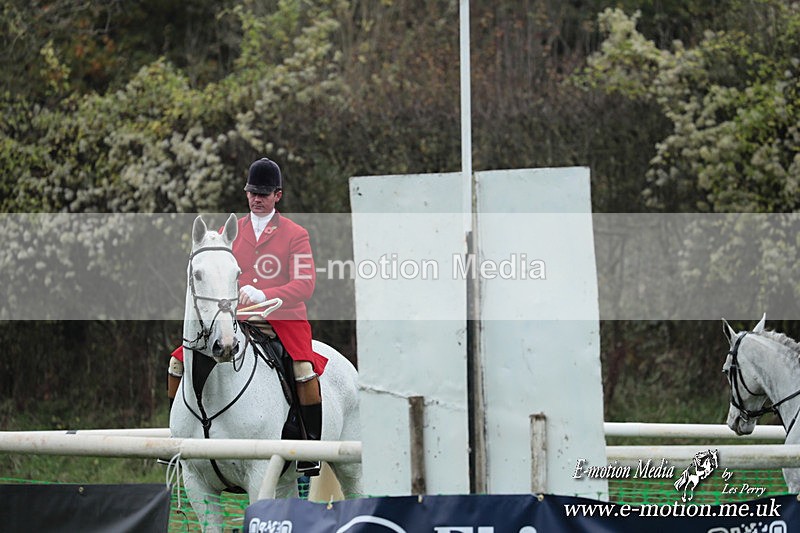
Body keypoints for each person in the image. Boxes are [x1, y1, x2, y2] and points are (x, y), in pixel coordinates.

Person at [167, 157, 326, 476]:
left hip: (281, 318)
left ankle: (310, 449)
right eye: (252, 192)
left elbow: (305, 283)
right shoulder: (231, 230)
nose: (256, 198)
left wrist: (266, 293)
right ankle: (177, 439)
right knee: (177, 362)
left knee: (303, 369)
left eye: (264, 193)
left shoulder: (296, 234)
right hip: (235, 318)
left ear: (277, 196)